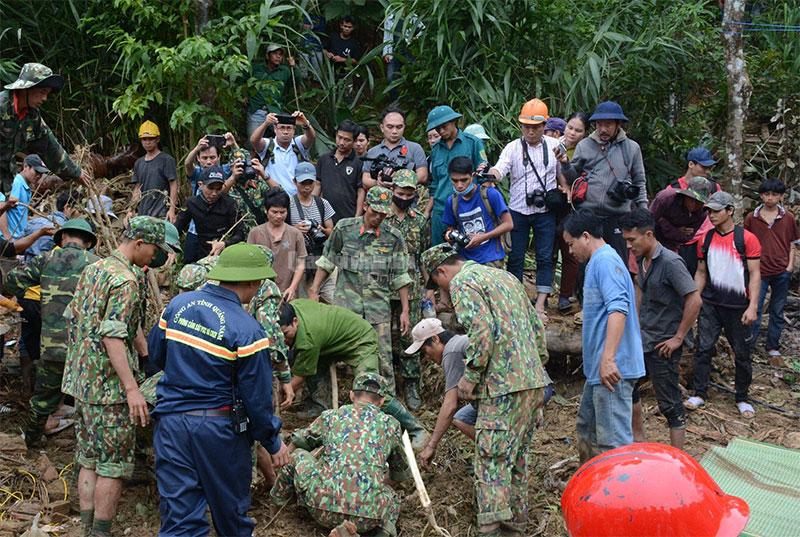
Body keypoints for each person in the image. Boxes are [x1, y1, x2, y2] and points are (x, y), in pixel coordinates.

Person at [146, 243, 289, 537]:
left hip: (171, 424)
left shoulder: (177, 305)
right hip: (219, 430)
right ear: (253, 282)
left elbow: (156, 355)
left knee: (179, 519)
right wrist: (273, 442)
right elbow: (257, 400)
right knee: (231, 516)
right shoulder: (248, 330)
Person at [421, 243, 549, 536]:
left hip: (500, 386)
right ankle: (515, 527)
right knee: (516, 457)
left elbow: (481, 330)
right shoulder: (504, 278)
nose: (441, 291)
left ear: (442, 270)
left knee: (491, 458)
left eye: (438, 283)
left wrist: (472, 375)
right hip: (530, 382)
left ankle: (490, 529)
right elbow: (536, 328)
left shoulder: (464, 282)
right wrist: (538, 369)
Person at [61, 216, 173, 537]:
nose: (155, 257)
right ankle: (100, 532)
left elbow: (108, 320)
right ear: (138, 243)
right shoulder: (125, 281)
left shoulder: (94, 268)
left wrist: (145, 355)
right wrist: (131, 388)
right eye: (153, 250)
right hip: (108, 389)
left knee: (88, 458)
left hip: (81, 381)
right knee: (112, 465)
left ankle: (85, 529)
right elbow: (112, 336)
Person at [270, 372, 409, 537]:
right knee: (392, 498)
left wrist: (282, 464)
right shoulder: (391, 425)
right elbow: (400, 473)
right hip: (368, 518)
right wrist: (373, 487)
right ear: (382, 401)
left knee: (298, 455)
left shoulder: (331, 416)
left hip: (322, 508)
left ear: (351, 395)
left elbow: (301, 441)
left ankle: (275, 514)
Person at [278, 300, 428, 448]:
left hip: (359, 340)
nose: (283, 340)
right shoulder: (292, 307)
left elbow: (298, 379)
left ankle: (416, 429)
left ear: (295, 321)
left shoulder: (308, 339)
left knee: (370, 389)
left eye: (286, 334)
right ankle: (320, 406)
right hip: (329, 343)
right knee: (311, 365)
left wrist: (279, 397)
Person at [560, 209, 645, 463]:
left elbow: (618, 309)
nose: (571, 252)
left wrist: (608, 359)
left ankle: (621, 495)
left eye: (571, 244)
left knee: (613, 443)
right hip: (600, 368)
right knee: (587, 427)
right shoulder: (599, 262)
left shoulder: (606, 261)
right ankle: (591, 487)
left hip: (611, 369)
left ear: (585, 236)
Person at [6, 219, 100, 447]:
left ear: (63, 237)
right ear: (88, 243)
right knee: (89, 398)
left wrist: (35, 300)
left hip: (52, 344)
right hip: (85, 348)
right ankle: (88, 447)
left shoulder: (46, 259)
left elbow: (11, 281)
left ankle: (33, 443)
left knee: (42, 400)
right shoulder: (98, 264)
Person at [309, 187, 412, 392]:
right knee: (324, 353)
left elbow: (401, 275)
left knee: (383, 359)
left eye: (383, 214)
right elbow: (328, 260)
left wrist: (405, 310)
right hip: (346, 307)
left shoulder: (394, 237)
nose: (378, 218)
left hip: (377, 308)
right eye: (375, 212)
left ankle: (385, 403)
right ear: (365, 206)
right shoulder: (344, 229)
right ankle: (321, 401)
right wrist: (314, 291)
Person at [620, 209, 701, 450]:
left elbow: (694, 299)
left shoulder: (670, 262)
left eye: (632, 240)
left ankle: (678, 457)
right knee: (630, 386)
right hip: (644, 338)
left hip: (663, 345)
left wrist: (678, 338)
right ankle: (638, 440)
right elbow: (638, 287)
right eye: (625, 240)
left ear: (648, 235)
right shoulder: (643, 261)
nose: (628, 246)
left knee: (669, 403)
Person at [686, 191, 761, 418]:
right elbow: (701, 272)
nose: (712, 215)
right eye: (709, 211)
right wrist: (694, 300)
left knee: (741, 352)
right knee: (704, 348)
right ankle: (700, 392)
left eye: (717, 211)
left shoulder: (746, 239)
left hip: (738, 305)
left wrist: (753, 306)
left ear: (730, 211)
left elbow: (755, 274)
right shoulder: (705, 239)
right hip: (711, 303)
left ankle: (742, 397)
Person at [488, 98, 567, 312]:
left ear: (544, 126)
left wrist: (565, 188)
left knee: (545, 255)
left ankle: (541, 303)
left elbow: (563, 175)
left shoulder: (554, 147)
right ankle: (516, 299)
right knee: (516, 256)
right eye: (526, 127)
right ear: (521, 126)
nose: (530, 132)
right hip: (518, 211)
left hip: (545, 211)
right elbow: (500, 169)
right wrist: (489, 175)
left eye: (535, 127)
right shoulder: (513, 148)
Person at [558, 101, 648, 263]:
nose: (603, 129)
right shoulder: (585, 145)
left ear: (618, 124)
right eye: (599, 125)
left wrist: (643, 213)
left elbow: (639, 181)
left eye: (608, 125)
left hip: (618, 216)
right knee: (586, 264)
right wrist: (565, 164)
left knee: (617, 262)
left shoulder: (631, 148)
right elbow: (573, 179)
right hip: (588, 215)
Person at [0, 62, 91, 193]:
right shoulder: (2, 107)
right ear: (26, 89)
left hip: (6, 179)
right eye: (42, 92)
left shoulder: (32, 116)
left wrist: (76, 173)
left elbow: (49, 146)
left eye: (47, 94)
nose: (44, 98)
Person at [407, 319, 477, 468]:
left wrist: (431, 446)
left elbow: (450, 404)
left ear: (435, 339)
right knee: (462, 418)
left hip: (505, 393)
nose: (426, 357)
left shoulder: (451, 351)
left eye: (425, 351)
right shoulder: (459, 342)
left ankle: (496, 452)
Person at [386, 169, 429, 409]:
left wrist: (429, 288)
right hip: (382, 287)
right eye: (400, 193)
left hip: (411, 288)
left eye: (409, 193)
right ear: (392, 190)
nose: (404, 197)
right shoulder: (381, 217)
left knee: (411, 337)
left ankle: (412, 383)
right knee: (381, 337)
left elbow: (422, 255)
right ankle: (386, 386)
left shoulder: (420, 220)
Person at [744, 179, 799, 362]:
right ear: (761, 195)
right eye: (766, 194)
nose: (770, 198)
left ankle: (772, 346)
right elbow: (745, 241)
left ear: (781, 196)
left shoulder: (788, 218)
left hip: (781, 270)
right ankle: (749, 346)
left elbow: (792, 243)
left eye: (775, 195)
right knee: (755, 308)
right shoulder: (753, 217)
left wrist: (789, 266)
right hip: (758, 270)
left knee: (777, 309)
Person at [427, 105, 488, 245]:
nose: (441, 131)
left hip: (467, 209)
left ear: (454, 121)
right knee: (439, 253)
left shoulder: (473, 143)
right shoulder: (436, 149)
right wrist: (428, 212)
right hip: (441, 209)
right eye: (437, 129)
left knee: (468, 252)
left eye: (444, 126)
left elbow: (484, 176)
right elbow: (435, 182)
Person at [443, 156, 512, 268]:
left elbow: (508, 224)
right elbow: (450, 227)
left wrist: (483, 237)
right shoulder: (452, 201)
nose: (459, 185)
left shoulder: (490, 194)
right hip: (465, 260)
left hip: (491, 257)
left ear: (473, 176)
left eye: (464, 180)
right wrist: (449, 234)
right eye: (455, 181)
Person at [553, 111, 590, 311]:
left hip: (574, 206)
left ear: (585, 133)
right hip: (552, 203)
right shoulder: (553, 144)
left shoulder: (585, 150)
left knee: (570, 251)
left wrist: (569, 187)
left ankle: (566, 296)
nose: (573, 133)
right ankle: (546, 292)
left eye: (578, 130)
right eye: (570, 127)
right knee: (548, 249)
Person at [182, 134, 236, 262]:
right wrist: (196, 149)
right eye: (204, 158)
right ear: (199, 159)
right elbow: (188, 165)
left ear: (219, 157)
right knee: (190, 261)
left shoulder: (224, 170)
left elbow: (239, 160)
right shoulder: (198, 172)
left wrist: (233, 144)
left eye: (212, 157)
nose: (209, 162)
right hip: (195, 228)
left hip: (218, 228)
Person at [287, 162, 336, 302]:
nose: (307, 187)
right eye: (303, 183)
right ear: (295, 182)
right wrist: (295, 230)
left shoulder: (322, 203)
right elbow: (280, 232)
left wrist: (322, 230)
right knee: (305, 303)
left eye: (310, 183)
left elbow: (332, 233)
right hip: (299, 260)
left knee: (333, 301)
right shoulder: (288, 204)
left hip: (322, 259)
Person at [247, 187, 307, 301]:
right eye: (274, 212)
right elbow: (250, 263)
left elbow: (300, 264)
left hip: (288, 292)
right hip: (261, 293)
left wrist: (292, 288)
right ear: (266, 210)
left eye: (282, 212)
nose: (279, 216)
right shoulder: (255, 233)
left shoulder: (295, 234)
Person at [174, 166, 245, 258]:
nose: (214, 193)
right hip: (201, 252)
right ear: (200, 185)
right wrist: (171, 247)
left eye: (218, 189)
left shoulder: (230, 204)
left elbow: (240, 234)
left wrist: (224, 243)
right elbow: (178, 227)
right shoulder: (192, 203)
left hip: (225, 253)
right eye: (210, 188)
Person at [649, 176, 714, 275]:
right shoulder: (666, 198)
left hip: (670, 246)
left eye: (699, 202)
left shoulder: (702, 213)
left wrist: (664, 223)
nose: (694, 204)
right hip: (650, 240)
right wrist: (673, 228)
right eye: (692, 199)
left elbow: (685, 238)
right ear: (686, 195)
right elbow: (648, 222)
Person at [361, 107, 429, 191]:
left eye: (399, 127)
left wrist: (398, 181)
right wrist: (379, 183)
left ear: (404, 127)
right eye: (390, 127)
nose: (394, 131)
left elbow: (423, 176)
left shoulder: (415, 148)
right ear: (382, 128)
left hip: (406, 200)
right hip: (380, 201)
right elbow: (365, 180)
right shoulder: (373, 152)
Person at [250, 110, 316, 195]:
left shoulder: (297, 144)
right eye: (282, 128)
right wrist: (266, 123)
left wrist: (305, 123)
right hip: (273, 198)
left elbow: (311, 137)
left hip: (297, 199)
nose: (285, 132)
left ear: (294, 130)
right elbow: (254, 140)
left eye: (289, 128)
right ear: (275, 129)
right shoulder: (269, 145)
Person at [246, 44, 301, 138]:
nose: (278, 56)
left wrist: (294, 68)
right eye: (275, 53)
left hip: (275, 110)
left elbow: (295, 83)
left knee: (285, 137)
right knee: (253, 140)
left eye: (280, 54)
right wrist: (243, 94)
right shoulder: (255, 68)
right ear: (267, 56)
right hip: (257, 109)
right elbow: (241, 79)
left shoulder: (285, 71)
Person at [315, 119, 364, 224]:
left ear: (354, 141)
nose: (342, 143)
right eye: (339, 137)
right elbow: (318, 185)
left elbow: (361, 191)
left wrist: (357, 218)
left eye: (347, 140)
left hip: (348, 218)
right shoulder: (324, 159)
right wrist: (312, 210)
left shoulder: (358, 163)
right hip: (325, 218)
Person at [129, 121, 177, 222]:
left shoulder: (166, 160)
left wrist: (172, 209)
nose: (147, 142)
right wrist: (130, 210)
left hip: (161, 213)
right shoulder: (138, 163)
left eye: (151, 139)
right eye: (144, 139)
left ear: (157, 139)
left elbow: (173, 184)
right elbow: (137, 189)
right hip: (143, 213)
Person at [20, 189, 81, 262]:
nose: (81, 215)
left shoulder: (34, 222)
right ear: (67, 207)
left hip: (27, 266)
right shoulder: (67, 230)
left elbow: (16, 245)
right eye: (80, 211)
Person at [223, 148, 272, 234]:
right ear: (231, 167)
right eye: (239, 165)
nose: (243, 169)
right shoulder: (227, 187)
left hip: (260, 234)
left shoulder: (259, 185)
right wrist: (233, 177)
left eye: (245, 165)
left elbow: (280, 194)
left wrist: (263, 174)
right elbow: (216, 196)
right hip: (237, 237)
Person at [2, 154, 48, 240]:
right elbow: (2, 209)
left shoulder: (25, 186)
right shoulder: (16, 183)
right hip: (9, 238)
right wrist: (7, 236)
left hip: (18, 237)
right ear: (26, 167)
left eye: (41, 173)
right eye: (36, 171)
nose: (38, 176)